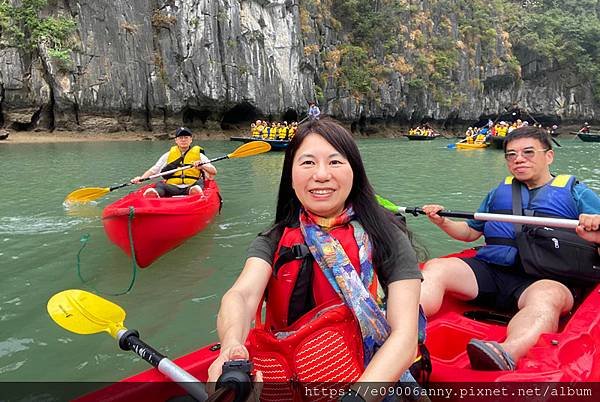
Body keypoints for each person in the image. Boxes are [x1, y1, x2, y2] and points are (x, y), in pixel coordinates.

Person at [208, 119, 423, 397]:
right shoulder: (274, 239)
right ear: (291, 175)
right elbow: (241, 295)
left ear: (354, 171)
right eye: (308, 163)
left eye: (335, 162)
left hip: (365, 377)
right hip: (285, 378)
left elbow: (404, 337)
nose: (321, 175)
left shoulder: (387, 234)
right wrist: (231, 344)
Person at [419, 126, 600, 371]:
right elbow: (471, 233)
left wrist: (596, 233)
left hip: (547, 279)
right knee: (437, 268)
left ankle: (506, 352)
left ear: (549, 156)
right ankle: (399, 326)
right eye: (511, 155)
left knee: (546, 296)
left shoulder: (577, 193)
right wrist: (443, 222)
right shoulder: (498, 193)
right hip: (493, 272)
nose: (518, 159)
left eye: (528, 152)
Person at [131, 127, 217, 198]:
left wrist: (202, 166)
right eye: (180, 138)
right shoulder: (167, 155)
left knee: (199, 183)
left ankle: (194, 193)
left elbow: (213, 172)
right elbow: (154, 170)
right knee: (160, 185)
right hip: (172, 187)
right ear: (176, 140)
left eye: (186, 137)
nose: (183, 140)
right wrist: (141, 178)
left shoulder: (200, 156)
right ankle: (154, 194)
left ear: (191, 140)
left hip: (191, 184)